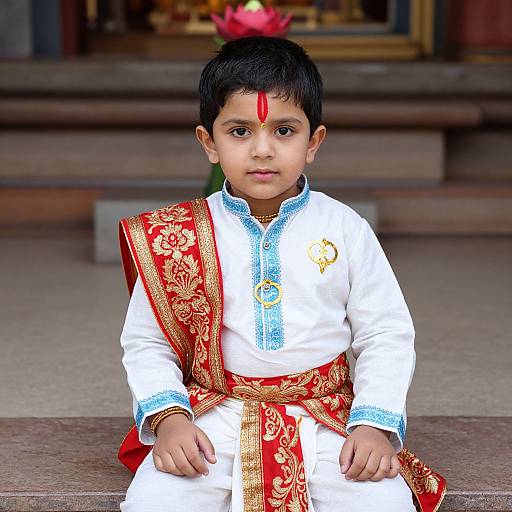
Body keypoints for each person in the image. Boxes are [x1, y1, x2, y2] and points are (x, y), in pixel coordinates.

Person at [118, 36, 446, 512]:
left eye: (285, 131)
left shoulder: (346, 228)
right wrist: (170, 419)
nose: (263, 151)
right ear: (208, 142)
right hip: (213, 414)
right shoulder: (180, 236)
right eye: (239, 131)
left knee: (387, 503)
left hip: (329, 416)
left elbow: (386, 333)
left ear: (314, 142)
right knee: (152, 502)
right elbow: (147, 342)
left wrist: (373, 425)